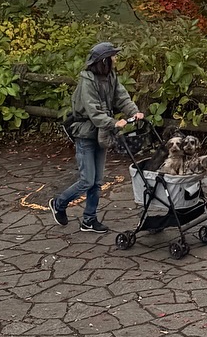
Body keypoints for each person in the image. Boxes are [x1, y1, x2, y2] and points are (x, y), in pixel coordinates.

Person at [50, 40, 142, 233]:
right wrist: (114, 123)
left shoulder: (111, 76)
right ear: (104, 60)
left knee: (97, 181)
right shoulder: (87, 81)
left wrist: (134, 112)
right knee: (87, 180)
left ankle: (89, 220)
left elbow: (121, 97)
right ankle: (59, 203)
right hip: (85, 134)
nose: (116, 59)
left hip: (102, 133)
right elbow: (94, 112)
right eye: (113, 56)